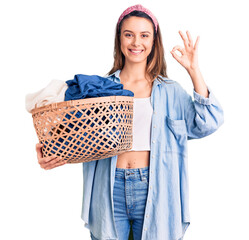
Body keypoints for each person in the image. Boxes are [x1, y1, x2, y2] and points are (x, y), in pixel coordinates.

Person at [36, 4, 224, 240]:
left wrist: (194, 70)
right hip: (109, 189)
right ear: (120, 39)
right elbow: (71, 133)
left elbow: (209, 121)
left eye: (144, 35)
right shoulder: (99, 90)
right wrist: (49, 149)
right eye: (129, 34)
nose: (137, 42)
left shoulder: (171, 92)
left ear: (154, 41)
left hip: (156, 189)